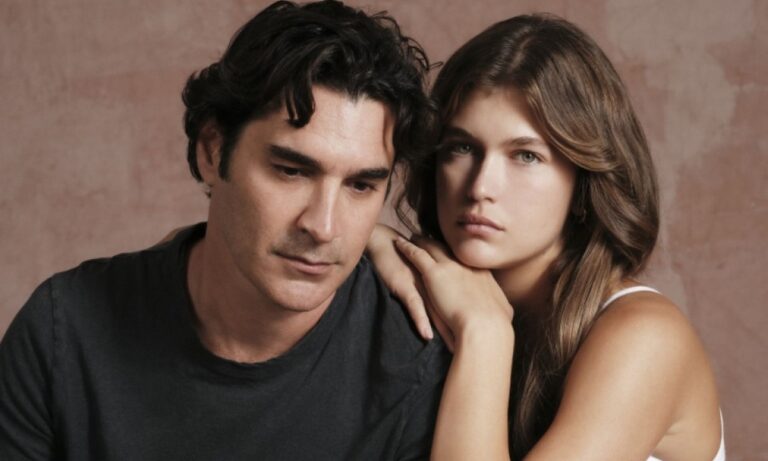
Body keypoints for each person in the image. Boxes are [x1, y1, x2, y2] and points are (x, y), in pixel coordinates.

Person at [0, 1, 451, 459]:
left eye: (360, 185)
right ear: (212, 152)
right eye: (291, 171)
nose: (323, 226)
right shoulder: (64, 330)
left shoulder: (415, 362)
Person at [367, 14, 725, 460]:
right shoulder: (439, 290)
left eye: (526, 156)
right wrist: (371, 240)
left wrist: (485, 335)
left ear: (584, 182)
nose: (481, 187)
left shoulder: (646, 338)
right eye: (462, 147)